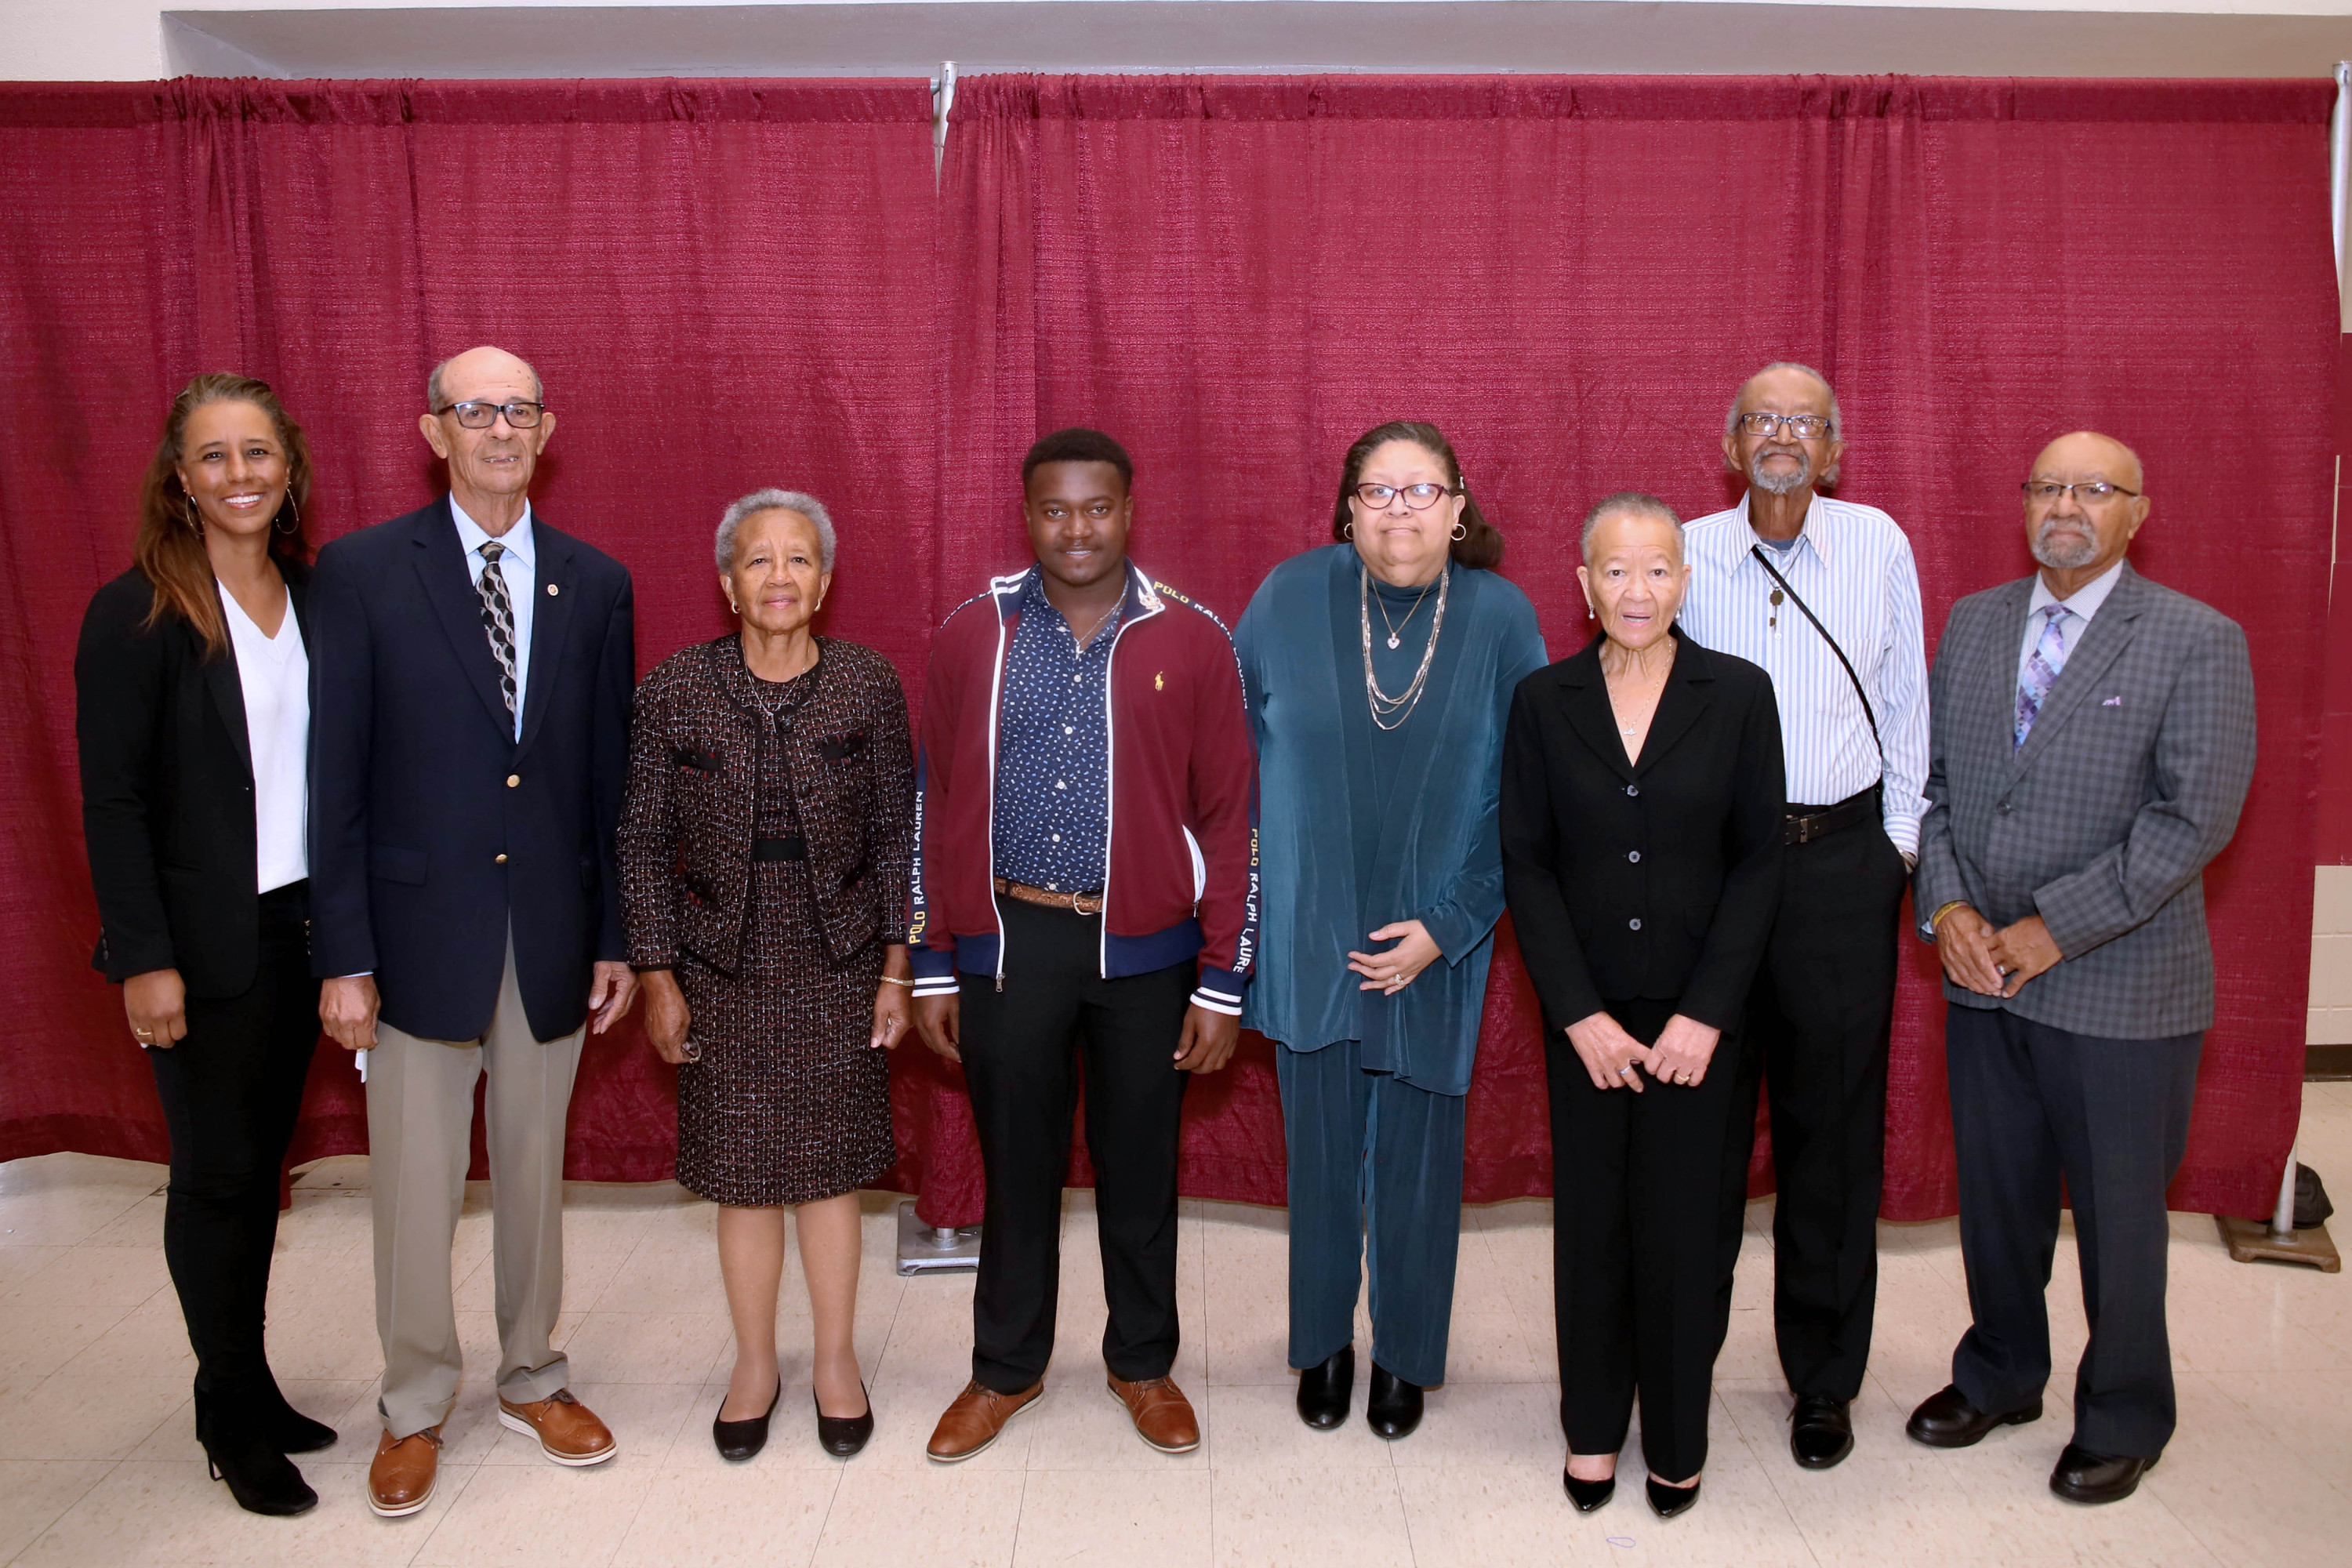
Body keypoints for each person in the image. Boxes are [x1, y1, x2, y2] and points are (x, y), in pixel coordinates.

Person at [308, 346, 638, 1518]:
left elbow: (612, 782)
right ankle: (413, 1400)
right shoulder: (356, 575)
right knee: (413, 1181)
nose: (499, 427)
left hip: (549, 930)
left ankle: (534, 1375)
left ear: (547, 430)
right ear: (433, 429)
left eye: (519, 409)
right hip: (408, 935)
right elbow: (331, 774)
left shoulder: (595, 584)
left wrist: (615, 935)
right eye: (474, 409)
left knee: (536, 1172)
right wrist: (342, 953)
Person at [1907, 432, 2255, 1505]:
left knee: (2118, 1220)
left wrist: (2053, 929)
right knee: (2000, 1202)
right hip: (1982, 977)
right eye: (2050, 486)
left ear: (2138, 513)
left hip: (2121, 986)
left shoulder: (2197, 640)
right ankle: (2003, 1373)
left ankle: (2125, 1412)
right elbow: (1941, 790)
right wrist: (1950, 905)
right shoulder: (1975, 624)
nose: (2068, 506)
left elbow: (2193, 818)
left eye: (2094, 490)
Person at [909, 428, 1257, 1461]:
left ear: (1128, 511)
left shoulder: (1194, 639)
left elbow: (1234, 816)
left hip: (1147, 953)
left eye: (1096, 508)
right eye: (1055, 509)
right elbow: (937, 801)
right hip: (1010, 941)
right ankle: (1006, 1369)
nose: (1077, 528)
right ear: (1028, 515)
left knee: (1140, 1170)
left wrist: (1224, 979)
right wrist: (934, 956)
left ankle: (1142, 1363)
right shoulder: (972, 633)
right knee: (1016, 1168)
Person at [1237, 420, 1547, 1439]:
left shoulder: (1503, 617)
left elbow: (1530, 794)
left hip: (1437, 938)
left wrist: (1451, 924)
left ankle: (1407, 1354)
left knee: (1417, 1167)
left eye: (1422, 491)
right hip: (1311, 933)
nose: (1400, 509)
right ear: (1347, 507)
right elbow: (1228, 763)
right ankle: (1323, 1343)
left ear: (1461, 506)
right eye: (1379, 491)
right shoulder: (1286, 597)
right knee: (1320, 1158)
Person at [74, 373, 334, 1516]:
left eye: (259, 453)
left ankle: (249, 1380)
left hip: (300, 931)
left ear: (290, 471)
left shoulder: (319, 600)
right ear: (179, 479)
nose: (240, 475)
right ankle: (229, 1410)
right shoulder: (134, 612)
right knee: (218, 1179)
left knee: (261, 1173)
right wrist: (145, 956)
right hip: (195, 944)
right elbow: (114, 802)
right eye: (215, 456)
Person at [1501, 492, 1784, 1519]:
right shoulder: (1543, 702)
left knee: (1682, 1228)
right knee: (1593, 1228)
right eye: (1615, 571)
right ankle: (1590, 1430)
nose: (1637, 590)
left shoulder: (1740, 695)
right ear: (1582, 586)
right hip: (1588, 1022)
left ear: (1686, 580)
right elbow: (1526, 865)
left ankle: (1674, 1435)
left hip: (1697, 1021)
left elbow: (1759, 865)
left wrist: (1707, 1012)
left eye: (1657, 569)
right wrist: (1576, 1013)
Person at [619, 489, 913, 1461]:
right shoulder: (674, 689)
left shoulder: (868, 684)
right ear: (727, 583)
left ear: (824, 582)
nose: (778, 576)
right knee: (743, 1181)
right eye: (758, 560)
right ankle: (755, 1364)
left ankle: (835, 1360)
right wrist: (660, 975)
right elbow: (643, 839)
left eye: (798, 560)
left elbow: (896, 836)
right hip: (721, 967)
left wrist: (896, 969)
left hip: (838, 961)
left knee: (829, 1178)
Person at [1676, 361, 1929, 1468]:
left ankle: (1823, 1382)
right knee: (1700, 1130)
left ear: (1833, 450)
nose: (1783, 437)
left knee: (1830, 1139)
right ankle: (1680, 1359)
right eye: (1762, 421)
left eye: (1806, 424)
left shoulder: (1878, 544)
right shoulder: (1682, 547)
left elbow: (1908, 702)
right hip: (1713, 876)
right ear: (1731, 446)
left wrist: (1897, 854)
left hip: (1839, 867)